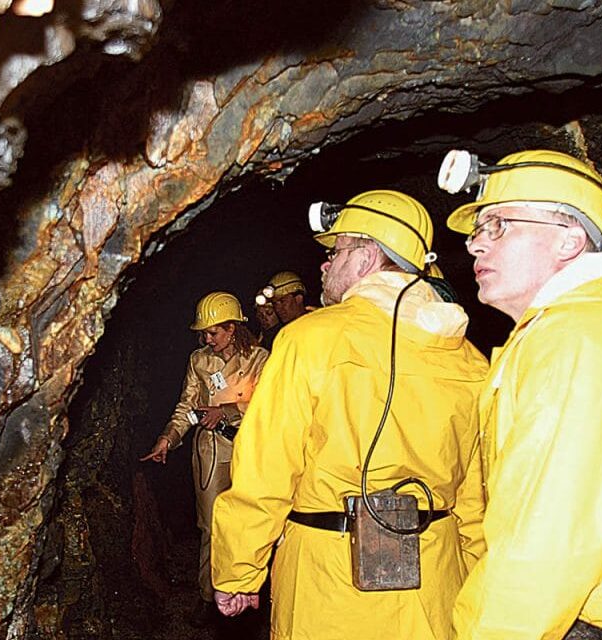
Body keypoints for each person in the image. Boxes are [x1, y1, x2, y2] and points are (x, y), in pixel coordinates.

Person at [438, 149, 602, 640]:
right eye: (478, 230)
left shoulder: (587, 334)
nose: (475, 245)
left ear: (570, 240)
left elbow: (546, 539)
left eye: (499, 225)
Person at [210, 190, 489, 639]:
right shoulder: (469, 359)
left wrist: (238, 570)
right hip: (435, 585)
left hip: (330, 581)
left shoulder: (310, 339)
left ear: (367, 259)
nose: (324, 264)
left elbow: (267, 467)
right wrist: (479, 582)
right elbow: (476, 499)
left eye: (336, 252)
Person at [141, 291, 270, 627]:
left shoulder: (260, 358)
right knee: (211, 526)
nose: (206, 338)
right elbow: (186, 407)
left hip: (249, 449)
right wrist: (167, 438)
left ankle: (253, 593)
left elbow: (271, 405)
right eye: (204, 333)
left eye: (213, 332)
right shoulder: (200, 361)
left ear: (231, 328)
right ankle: (208, 596)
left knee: (251, 521)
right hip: (210, 450)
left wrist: (228, 410)